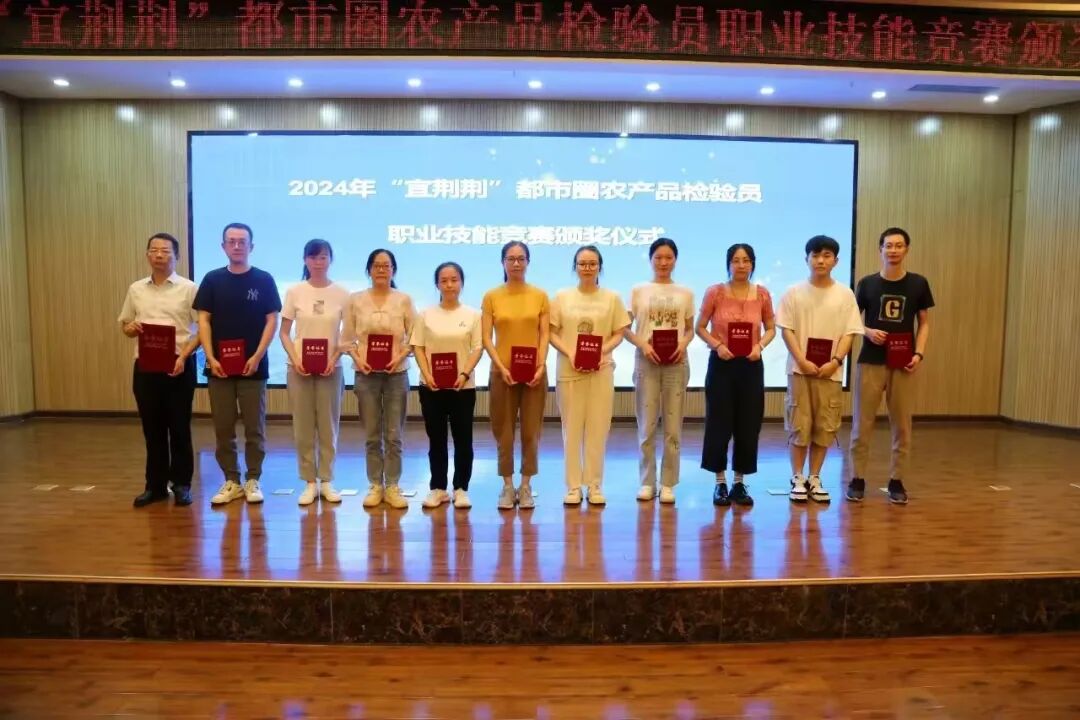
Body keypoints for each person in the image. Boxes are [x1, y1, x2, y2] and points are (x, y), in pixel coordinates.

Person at [194, 223, 281, 506]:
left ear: (251, 246)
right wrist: (210, 357)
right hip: (218, 367)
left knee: (255, 428)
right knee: (223, 427)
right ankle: (231, 480)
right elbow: (203, 320)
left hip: (253, 367)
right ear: (223, 246)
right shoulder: (212, 280)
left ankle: (253, 479)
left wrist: (257, 356)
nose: (236, 246)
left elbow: (272, 320)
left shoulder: (264, 279)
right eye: (231, 241)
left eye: (242, 241)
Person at [848, 227, 934, 505]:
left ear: (906, 249)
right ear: (880, 249)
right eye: (888, 245)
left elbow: (924, 323)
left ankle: (897, 480)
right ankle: (857, 479)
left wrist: (919, 354)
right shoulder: (867, 283)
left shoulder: (918, 283)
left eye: (899, 245)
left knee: (902, 425)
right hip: (870, 362)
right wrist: (868, 331)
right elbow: (852, 321)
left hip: (903, 362)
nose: (893, 250)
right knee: (862, 423)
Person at [776, 235, 863, 504]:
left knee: (824, 426)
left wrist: (835, 361)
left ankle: (815, 477)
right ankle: (797, 477)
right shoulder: (793, 292)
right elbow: (786, 330)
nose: (820, 261)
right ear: (807, 259)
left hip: (830, 372)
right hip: (799, 371)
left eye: (826, 255)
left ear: (836, 261)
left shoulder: (845, 294)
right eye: (815, 255)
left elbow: (851, 332)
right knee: (799, 426)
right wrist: (801, 360)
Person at [118, 232, 200, 507]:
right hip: (146, 366)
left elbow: (202, 330)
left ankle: (182, 484)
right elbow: (126, 325)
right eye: (154, 250)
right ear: (147, 255)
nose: (159, 255)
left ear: (177, 256)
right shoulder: (136, 289)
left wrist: (184, 356)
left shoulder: (189, 288)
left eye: (165, 251)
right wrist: (130, 328)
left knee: (179, 428)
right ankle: (155, 486)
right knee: (152, 429)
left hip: (179, 364)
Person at [696, 243, 777, 508]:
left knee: (748, 424)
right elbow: (700, 327)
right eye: (736, 260)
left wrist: (759, 346)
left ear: (753, 264)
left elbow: (771, 328)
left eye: (746, 260)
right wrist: (717, 346)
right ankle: (720, 482)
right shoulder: (715, 292)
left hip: (751, 364)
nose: (741, 265)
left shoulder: (762, 294)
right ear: (728, 264)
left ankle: (739, 482)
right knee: (719, 423)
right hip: (721, 364)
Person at [549, 245, 631, 506]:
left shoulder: (612, 298)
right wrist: (571, 353)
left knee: (598, 429)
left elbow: (619, 332)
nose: (587, 268)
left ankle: (594, 485)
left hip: (601, 369)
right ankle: (573, 486)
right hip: (569, 370)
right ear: (575, 267)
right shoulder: (562, 297)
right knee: (571, 430)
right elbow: (551, 333)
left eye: (592, 263)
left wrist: (600, 351)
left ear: (600, 267)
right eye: (582, 263)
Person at [342, 248, 415, 510]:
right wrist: (357, 358)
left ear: (393, 270)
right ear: (369, 270)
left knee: (394, 435)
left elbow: (414, 337)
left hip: (397, 374)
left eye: (386, 265)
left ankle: (393, 485)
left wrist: (400, 356)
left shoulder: (404, 300)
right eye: (376, 265)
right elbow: (346, 339)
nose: (382, 270)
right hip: (366, 374)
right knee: (372, 435)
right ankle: (375, 484)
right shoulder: (355, 300)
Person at [278, 239, 349, 507]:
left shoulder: (342, 293)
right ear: (305, 260)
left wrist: (335, 357)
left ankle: (327, 480)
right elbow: (284, 333)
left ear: (330, 260)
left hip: (332, 368)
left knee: (329, 425)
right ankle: (309, 481)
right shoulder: (295, 291)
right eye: (313, 257)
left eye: (323, 257)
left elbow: (347, 334)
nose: (318, 262)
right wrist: (295, 359)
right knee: (303, 425)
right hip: (299, 369)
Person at [625, 237, 695, 504]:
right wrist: (643, 345)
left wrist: (683, 345)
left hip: (676, 362)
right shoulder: (638, 290)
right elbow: (624, 327)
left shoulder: (685, 292)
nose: (663, 262)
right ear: (650, 259)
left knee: (673, 427)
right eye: (658, 257)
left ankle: (668, 483)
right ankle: (647, 482)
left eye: (668, 257)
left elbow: (690, 329)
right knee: (646, 425)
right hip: (647, 362)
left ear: (675, 260)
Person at [481, 240, 549, 510]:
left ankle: (526, 485)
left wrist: (541, 365)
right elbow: (486, 338)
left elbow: (544, 335)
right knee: (504, 431)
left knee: (531, 431)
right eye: (511, 259)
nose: (516, 263)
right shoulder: (492, 296)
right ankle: (508, 486)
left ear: (528, 262)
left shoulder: (540, 295)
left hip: (534, 374)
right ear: (503, 263)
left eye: (521, 258)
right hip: (502, 373)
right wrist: (500, 366)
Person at [412, 262, 483, 510]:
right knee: (437, 440)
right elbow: (418, 346)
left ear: (461, 283)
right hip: (431, 387)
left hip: (462, 387)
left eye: (454, 280)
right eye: (444, 280)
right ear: (437, 285)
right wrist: (427, 374)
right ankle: (438, 488)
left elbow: (478, 348)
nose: (449, 285)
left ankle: (461, 488)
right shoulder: (425, 314)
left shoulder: (473, 315)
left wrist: (464, 373)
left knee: (463, 440)